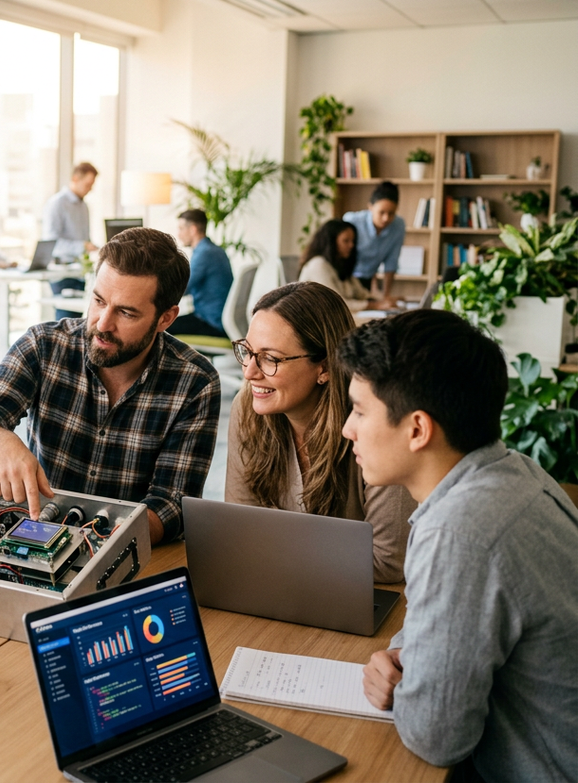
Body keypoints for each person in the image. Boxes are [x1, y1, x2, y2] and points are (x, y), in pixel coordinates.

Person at [342, 310, 578, 781]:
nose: (348, 428)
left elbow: (437, 737)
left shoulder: (461, 532)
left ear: (417, 429)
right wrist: (409, 657)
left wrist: (407, 688)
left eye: (360, 411)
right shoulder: (513, 471)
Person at [0, 227, 220, 546]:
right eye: (98, 300)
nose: (102, 324)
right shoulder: (43, 345)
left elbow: (172, 504)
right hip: (37, 536)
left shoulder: (195, 382)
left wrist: (104, 544)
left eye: (126, 312)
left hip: (125, 548)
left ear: (166, 318)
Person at [224, 282, 415, 583]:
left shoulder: (375, 424)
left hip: (367, 600)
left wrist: (271, 550)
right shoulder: (248, 406)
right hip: (282, 588)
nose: (249, 371)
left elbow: (387, 560)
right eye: (247, 352)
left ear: (325, 367)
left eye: (270, 358)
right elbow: (239, 529)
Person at [41, 161, 99, 319]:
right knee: (65, 319)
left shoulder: (84, 206)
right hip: (62, 273)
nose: (90, 189)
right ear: (75, 179)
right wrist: (82, 246)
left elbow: (85, 238)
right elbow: (51, 243)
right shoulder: (57, 204)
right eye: (88, 184)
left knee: (78, 320)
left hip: (80, 271)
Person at [167, 209, 233, 338]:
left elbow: (183, 288)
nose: (179, 234)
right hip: (216, 319)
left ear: (192, 229)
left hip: (210, 322)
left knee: (160, 327)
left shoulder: (205, 253)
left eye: (181, 229)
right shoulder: (213, 250)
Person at [343, 181, 404, 307]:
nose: (386, 218)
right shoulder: (352, 221)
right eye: (381, 212)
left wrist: (386, 296)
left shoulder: (398, 226)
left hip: (367, 280)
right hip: (347, 278)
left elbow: (391, 263)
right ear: (370, 207)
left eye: (391, 213)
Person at [298, 219, 376, 314]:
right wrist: (373, 305)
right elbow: (335, 303)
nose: (351, 245)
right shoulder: (318, 264)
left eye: (353, 241)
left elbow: (361, 294)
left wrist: (384, 301)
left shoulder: (340, 264)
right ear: (331, 242)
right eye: (346, 241)